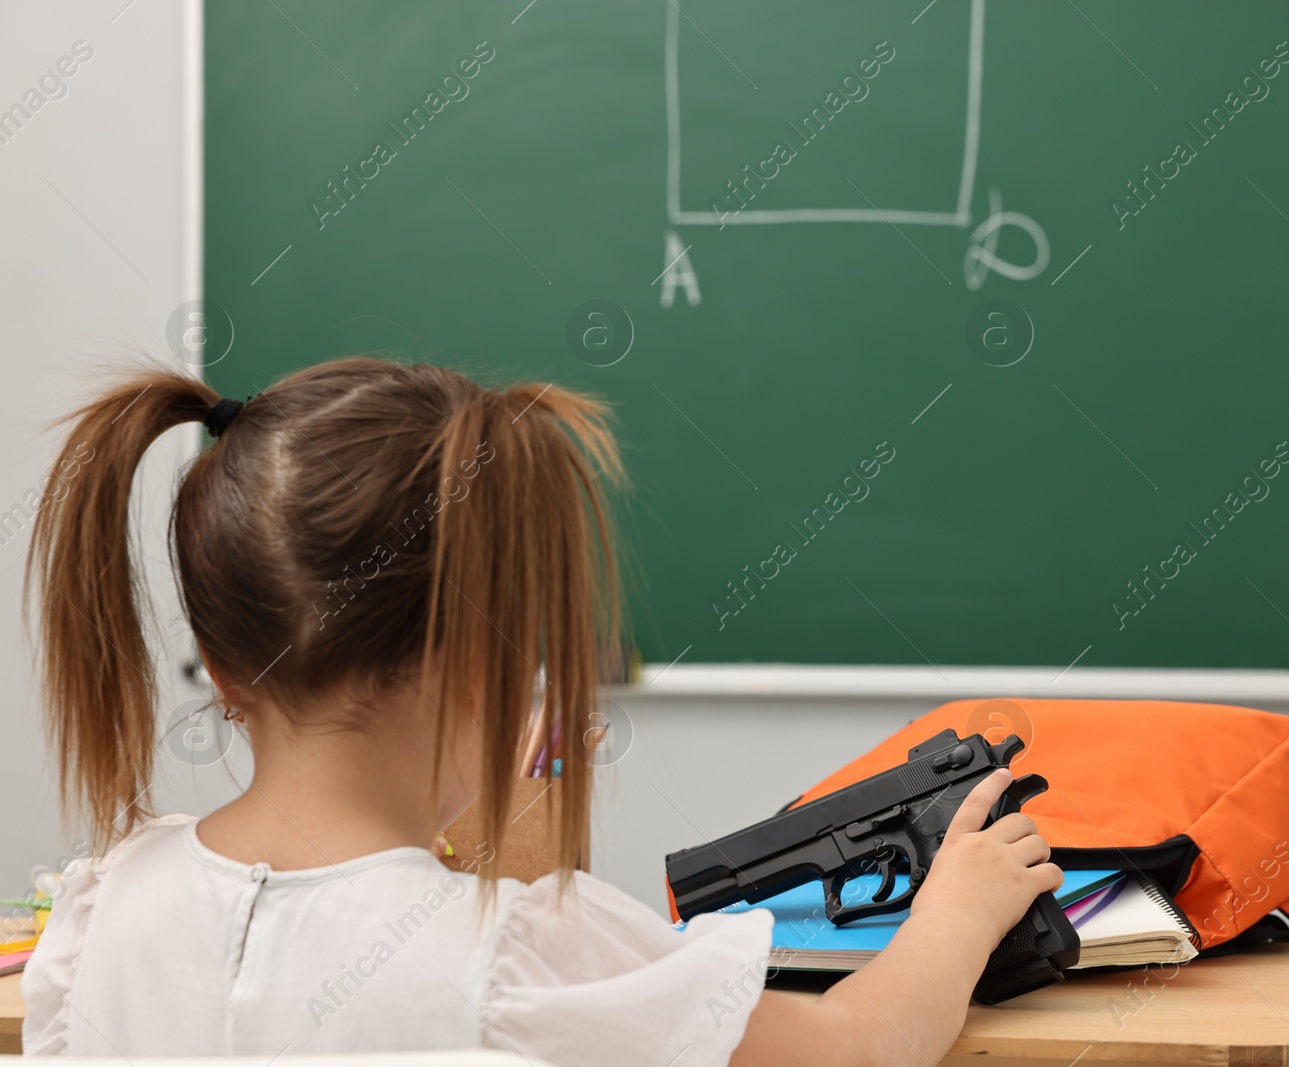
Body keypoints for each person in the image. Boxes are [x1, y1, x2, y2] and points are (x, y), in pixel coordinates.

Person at [22, 357, 1062, 1065]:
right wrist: (960, 909)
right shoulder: (521, 941)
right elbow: (858, 1044)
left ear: (219, 661)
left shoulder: (103, 905)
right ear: (488, 656)